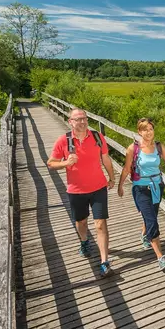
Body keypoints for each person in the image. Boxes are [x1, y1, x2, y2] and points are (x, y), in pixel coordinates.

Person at [47, 108, 116, 278]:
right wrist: (65, 163)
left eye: (84, 118)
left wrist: (112, 177)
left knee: (100, 223)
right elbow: (51, 163)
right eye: (77, 119)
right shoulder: (64, 141)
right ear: (70, 122)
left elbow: (105, 157)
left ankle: (104, 262)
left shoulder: (98, 137)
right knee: (81, 222)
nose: (82, 122)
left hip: (99, 187)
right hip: (76, 190)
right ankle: (84, 242)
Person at [118, 118, 165, 270]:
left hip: (157, 186)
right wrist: (120, 185)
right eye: (145, 130)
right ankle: (160, 258)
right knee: (152, 221)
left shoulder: (159, 146)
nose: (148, 132)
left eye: (151, 129)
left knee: (151, 215)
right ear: (139, 132)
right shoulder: (132, 148)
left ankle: (144, 235)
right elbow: (127, 168)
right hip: (140, 188)